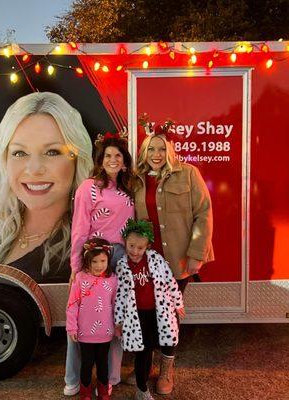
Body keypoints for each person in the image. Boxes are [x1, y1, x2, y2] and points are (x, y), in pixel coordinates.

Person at [0, 92, 94, 283]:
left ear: (77, 160)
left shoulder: (91, 240)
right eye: (19, 153)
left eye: (52, 152)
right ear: (5, 160)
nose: (34, 169)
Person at [133, 118, 214, 394]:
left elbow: (203, 213)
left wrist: (196, 254)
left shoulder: (188, 173)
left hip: (178, 261)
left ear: (170, 151)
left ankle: (167, 367)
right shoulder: (136, 180)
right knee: (148, 312)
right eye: (151, 149)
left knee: (168, 315)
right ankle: (149, 364)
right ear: (144, 152)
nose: (156, 154)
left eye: (161, 149)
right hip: (147, 263)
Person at [64, 131, 137, 396]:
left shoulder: (128, 189)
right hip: (95, 254)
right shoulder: (89, 188)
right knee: (82, 315)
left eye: (118, 155)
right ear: (101, 159)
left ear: (125, 161)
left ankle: (111, 376)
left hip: (121, 257)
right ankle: (74, 378)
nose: (113, 160)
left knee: (115, 316)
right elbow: (79, 228)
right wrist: (76, 266)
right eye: (108, 155)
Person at [114, 218, 185, 400]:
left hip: (159, 313)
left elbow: (169, 281)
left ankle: (165, 372)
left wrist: (178, 303)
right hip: (137, 317)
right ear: (125, 242)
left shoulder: (156, 260)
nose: (135, 251)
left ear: (147, 247)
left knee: (165, 342)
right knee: (143, 353)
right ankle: (142, 388)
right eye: (131, 246)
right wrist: (119, 320)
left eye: (140, 248)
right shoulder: (122, 265)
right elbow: (120, 296)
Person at [66, 238, 118, 400]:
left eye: (103, 260)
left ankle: (103, 392)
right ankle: (85, 393)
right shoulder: (80, 278)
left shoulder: (113, 279)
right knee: (87, 364)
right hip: (85, 332)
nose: (99, 265)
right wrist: (72, 327)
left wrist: (118, 325)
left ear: (108, 260)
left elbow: (116, 304)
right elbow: (72, 304)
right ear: (87, 261)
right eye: (94, 261)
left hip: (105, 332)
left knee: (103, 364)